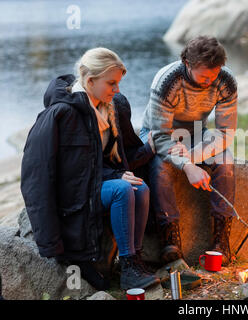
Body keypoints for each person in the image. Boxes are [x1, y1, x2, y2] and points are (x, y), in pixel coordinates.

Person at [20, 47, 159, 290]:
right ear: (90, 80)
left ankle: (133, 263)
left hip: (95, 185)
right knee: (122, 190)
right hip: (72, 197)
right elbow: (36, 175)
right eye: (111, 83)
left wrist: (150, 147)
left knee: (141, 188)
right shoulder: (61, 114)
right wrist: (51, 242)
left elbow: (112, 159)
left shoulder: (113, 107)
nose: (117, 89)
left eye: (118, 83)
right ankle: (126, 267)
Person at [139, 36, 238, 265]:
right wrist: (187, 166)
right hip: (157, 132)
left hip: (195, 132)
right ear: (187, 62)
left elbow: (225, 133)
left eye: (214, 75)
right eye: (204, 76)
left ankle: (221, 241)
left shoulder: (226, 81)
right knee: (161, 167)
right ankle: (169, 241)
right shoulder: (167, 81)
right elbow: (161, 136)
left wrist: (191, 158)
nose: (209, 81)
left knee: (225, 162)